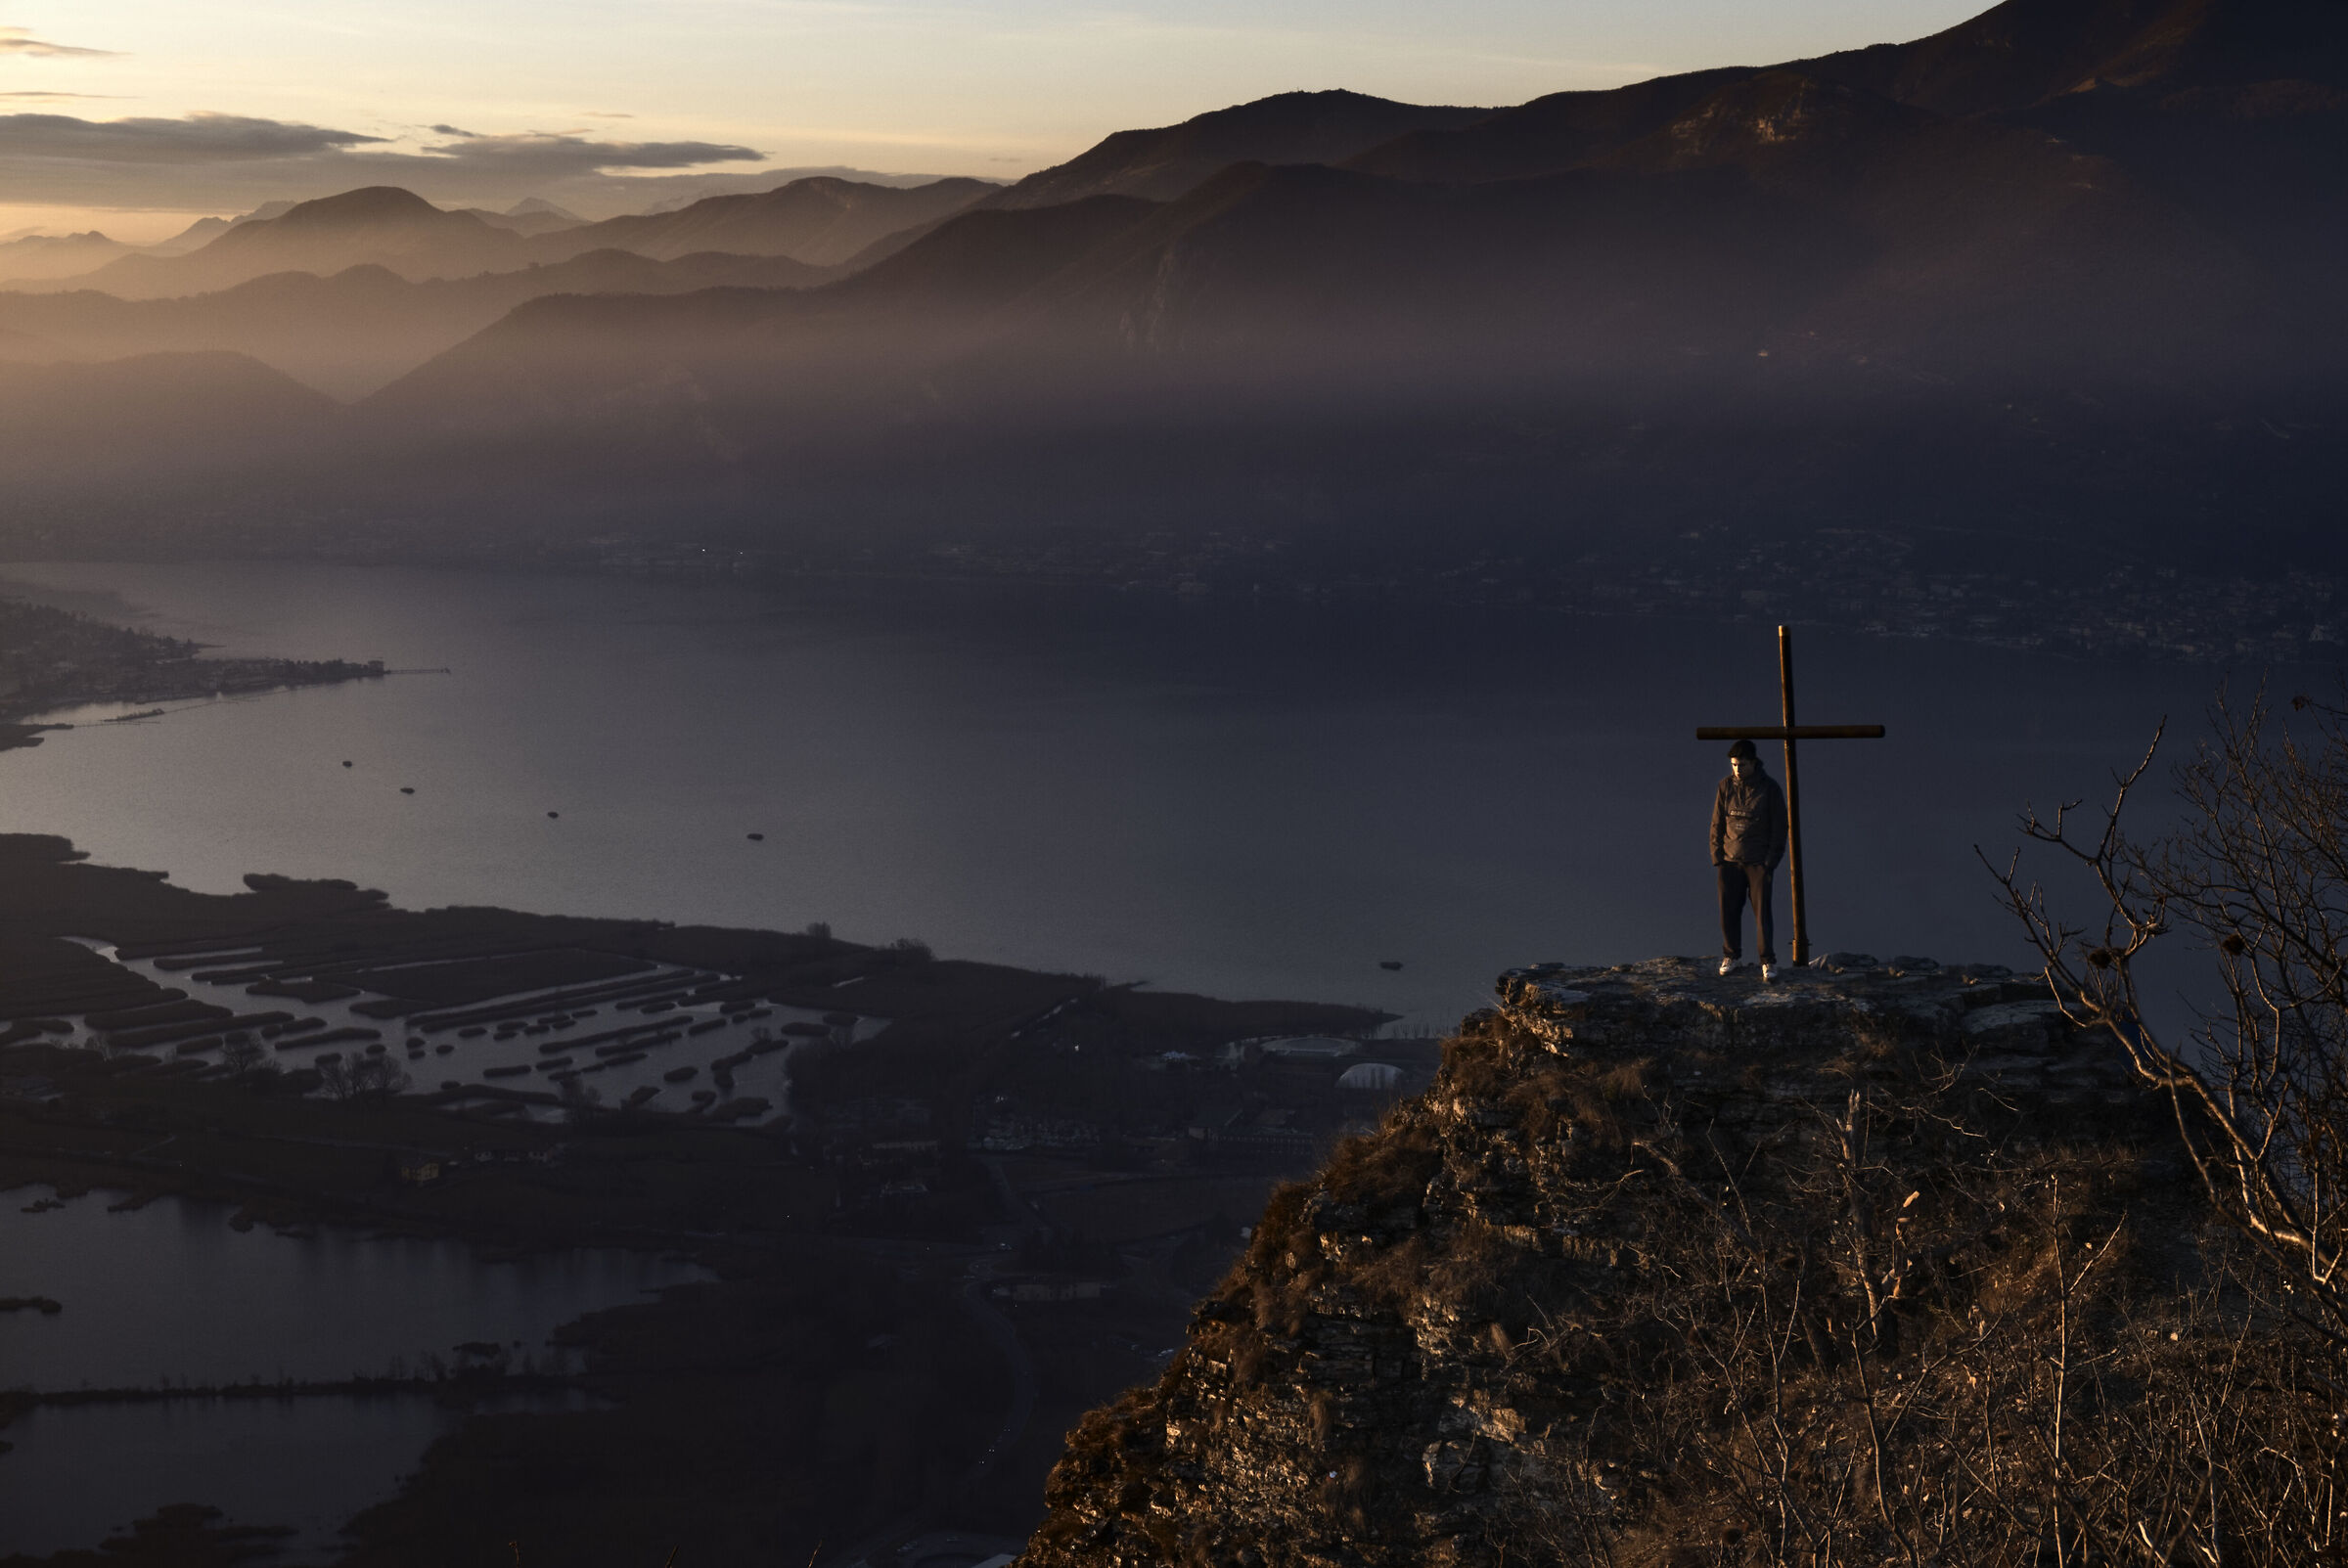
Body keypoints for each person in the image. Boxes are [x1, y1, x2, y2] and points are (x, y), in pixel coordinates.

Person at [1710, 739, 1786, 979]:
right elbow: (1717, 823)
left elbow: (1780, 827)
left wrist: (1770, 861)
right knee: (1728, 912)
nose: (1737, 769)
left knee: (1762, 914)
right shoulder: (1725, 787)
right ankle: (1731, 956)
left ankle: (1768, 962)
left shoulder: (1770, 788)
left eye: (1742, 764)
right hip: (1730, 862)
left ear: (1753, 763)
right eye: (1733, 765)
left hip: (1758, 864)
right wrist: (1717, 857)